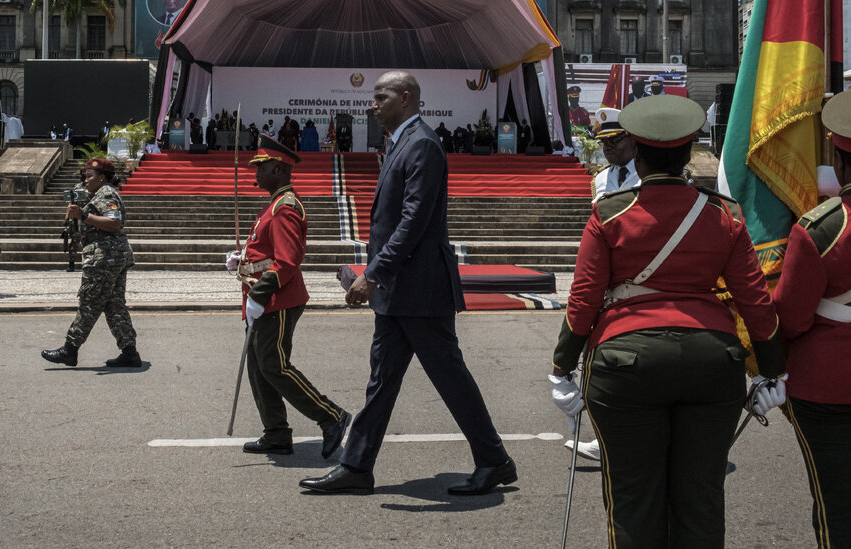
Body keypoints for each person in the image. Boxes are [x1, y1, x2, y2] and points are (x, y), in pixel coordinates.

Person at [549, 95, 785, 547]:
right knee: (701, 501)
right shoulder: (725, 214)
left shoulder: (610, 213)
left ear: (637, 152)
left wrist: (562, 367)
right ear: (688, 153)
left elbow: (583, 299)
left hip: (625, 361)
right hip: (713, 361)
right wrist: (773, 369)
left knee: (633, 501)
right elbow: (755, 301)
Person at [299, 71, 517, 496]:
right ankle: (357, 466)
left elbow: (414, 221)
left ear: (405, 98)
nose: (373, 105)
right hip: (400, 291)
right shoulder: (403, 142)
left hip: (420, 289)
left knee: (450, 378)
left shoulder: (422, 144)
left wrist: (372, 274)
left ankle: (494, 460)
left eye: (380, 97)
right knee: (382, 380)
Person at [226, 134, 351, 458]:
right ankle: (276, 433)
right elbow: (267, 252)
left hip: (277, 299)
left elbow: (287, 261)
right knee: (259, 368)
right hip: (263, 298)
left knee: (274, 365)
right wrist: (242, 261)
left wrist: (259, 294)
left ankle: (331, 416)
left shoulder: (285, 207)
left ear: (278, 170)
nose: (256, 173)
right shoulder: (274, 204)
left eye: (261, 167)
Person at [772, 89, 851, 549]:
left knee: (837, 506)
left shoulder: (821, 227)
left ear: (839, 162)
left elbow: (791, 317)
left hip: (829, 385)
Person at [41, 158, 142, 368]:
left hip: (105, 257)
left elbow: (114, 222)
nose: (85, 180)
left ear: (102, 177)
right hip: (111, 255)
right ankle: (129, 352)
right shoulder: (96, 195)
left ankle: (70, 350)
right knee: (114, 304)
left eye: (89, 176)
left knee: (90, 302)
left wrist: (84, 215)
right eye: (84, 177)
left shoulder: (107, 194)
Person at [591, 107, 640, 203]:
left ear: (633, 140)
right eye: (604, 142)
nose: (608, 147)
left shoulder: (648, 174)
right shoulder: (600, 177)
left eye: (614, 140)